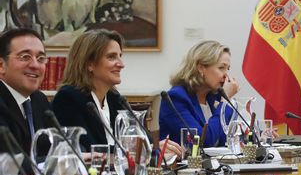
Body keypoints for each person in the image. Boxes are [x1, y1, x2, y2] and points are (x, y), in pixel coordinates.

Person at [52, 29, 183, 159]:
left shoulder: (114, 98)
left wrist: (156, 148)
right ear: (89, 64)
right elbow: (92, 150)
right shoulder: (68, 98)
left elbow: (143, 141)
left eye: (120, 56)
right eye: (111, 57)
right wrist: (146, 149)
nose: (121, 64)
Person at [159, 40, 240, 147]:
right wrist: (225, 102)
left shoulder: (214, 98)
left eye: (227, 69)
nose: (226, 76)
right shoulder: (176, 98)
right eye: (221, 68)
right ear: (201, 67)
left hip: (217, 163)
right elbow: (202, 142)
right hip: (185, 163)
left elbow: (231, 139)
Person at [0, 28, 51, 163]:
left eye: (41, 58)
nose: (35, 65)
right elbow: (10, 162)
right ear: (1, 65)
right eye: (25, 57)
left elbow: (55, 145)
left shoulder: (39, 100)